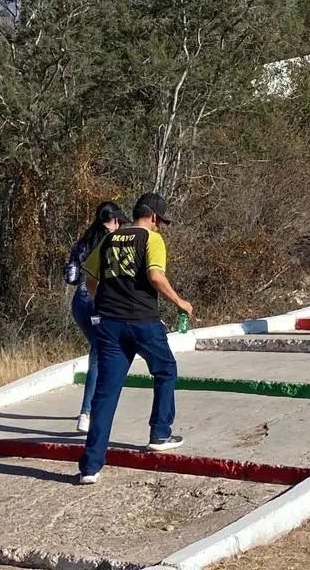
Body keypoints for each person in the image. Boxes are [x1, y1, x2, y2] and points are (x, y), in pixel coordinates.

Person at [78, 192, 193, 485]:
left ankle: (90, 467)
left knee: (106, 391)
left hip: (109, 324)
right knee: (165, 369)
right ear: (154, 217)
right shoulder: (152, 239)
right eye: (160, 221)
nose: (160, 227)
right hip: (143, 322)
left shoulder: (109, 239)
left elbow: (90, 277)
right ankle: (160, 432)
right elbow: (155, 276)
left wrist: (102, 304)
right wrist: (180, 302)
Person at [63, 202, 130, 433]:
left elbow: (70, 276)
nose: (119, 225)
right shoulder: (112, 243)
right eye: (118, 221)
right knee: (100, 354)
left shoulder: (82, 242)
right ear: (112, 220)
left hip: (80, 302)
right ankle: (88, 412)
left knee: (99, 350)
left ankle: (92, 409)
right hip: (100, 302)